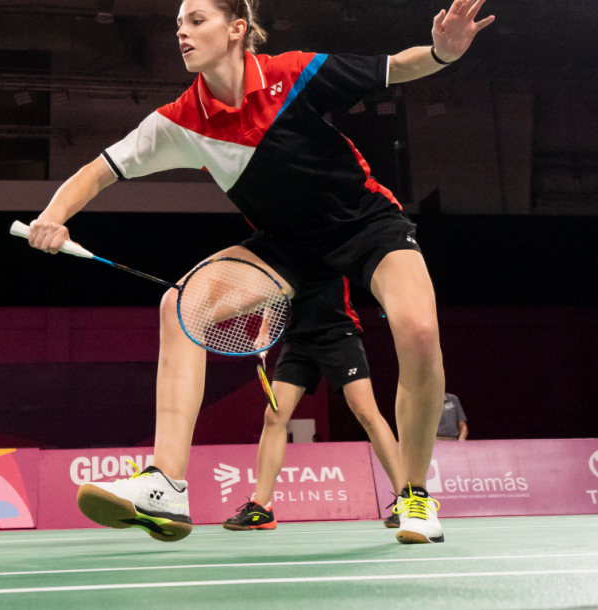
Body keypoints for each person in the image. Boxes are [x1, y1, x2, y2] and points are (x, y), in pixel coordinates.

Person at [27, 0, 493, 544]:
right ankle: (165, 486)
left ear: (237, 29)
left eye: (196, 20)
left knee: (418, 331)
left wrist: (443, 52)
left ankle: (414, 495)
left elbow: (394, 66)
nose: (182, 32)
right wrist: (52, 218)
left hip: (365, 224)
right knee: (180, 308)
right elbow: (99, 171)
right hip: (286, 247)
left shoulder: (289, 74)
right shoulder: (180, 121)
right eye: (178, 23)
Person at [221, 278, 404, 531]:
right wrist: (264, 330)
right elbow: (277, 291)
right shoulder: (282, 250)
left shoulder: (335, 242)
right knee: (274, 417)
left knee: (367, 413)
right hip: (298, 340)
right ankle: (261, 507)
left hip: (340, 334)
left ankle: (406, 498)